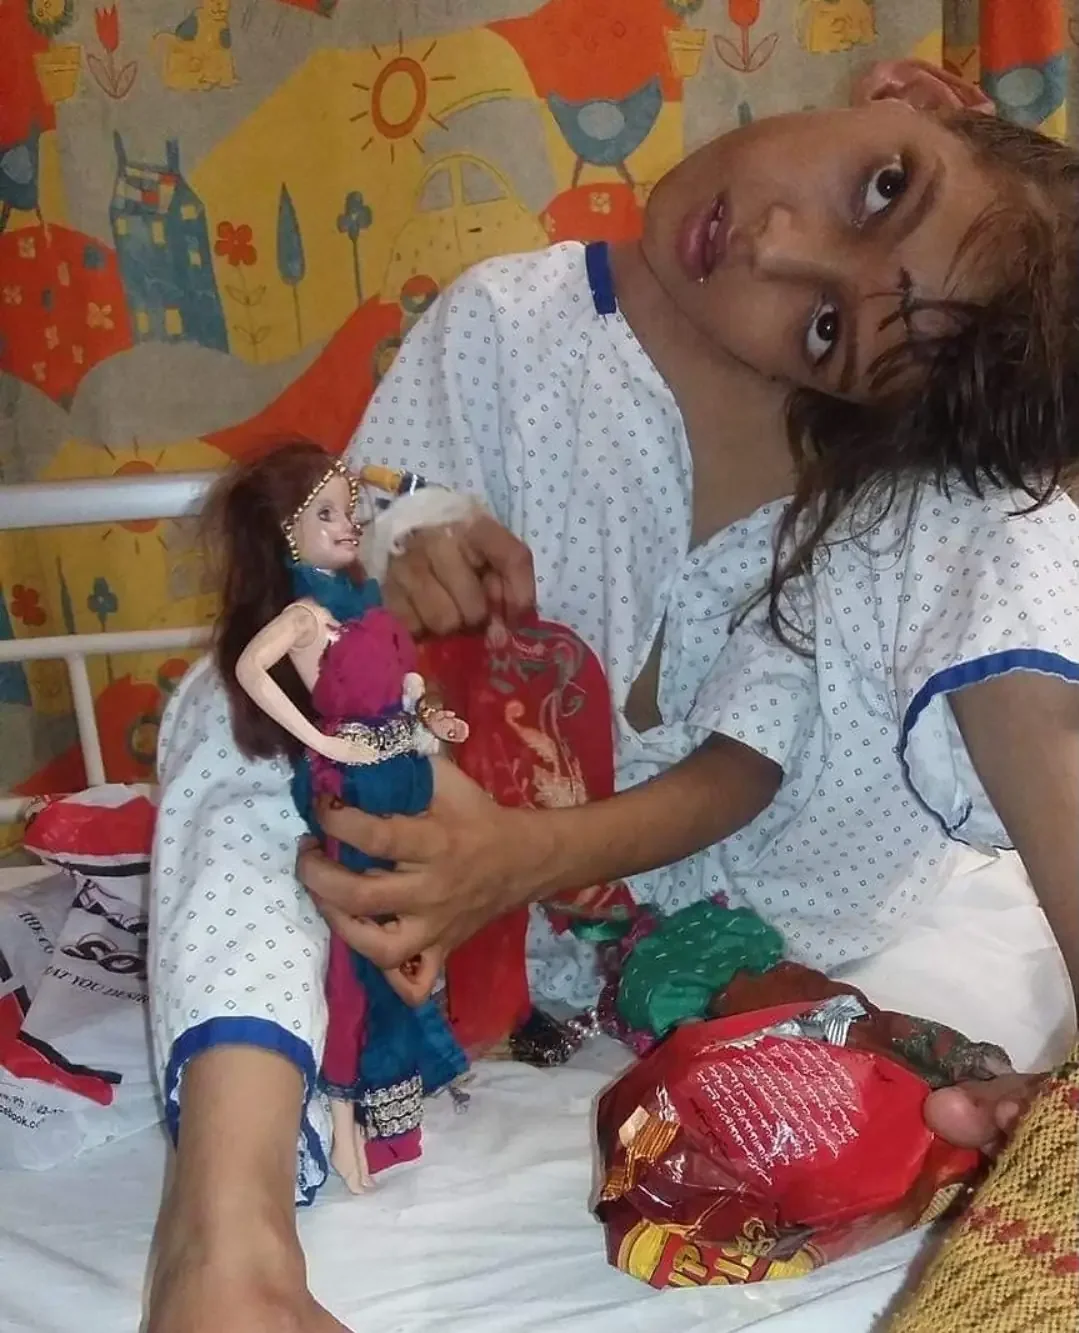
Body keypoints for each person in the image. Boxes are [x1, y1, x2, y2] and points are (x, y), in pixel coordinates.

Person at [147, 61, 1079, 1333]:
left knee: (998, 513)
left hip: (773, 889)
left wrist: (527, 854)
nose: (773, 244)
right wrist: (406, 556)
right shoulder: (504, 331)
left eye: (827, 331)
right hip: (478, 905)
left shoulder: (890, 478)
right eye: (878, 187)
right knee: (267, 674)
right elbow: (357, 556)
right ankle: (224, 1243)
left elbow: (751, 754)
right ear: (912, 96)